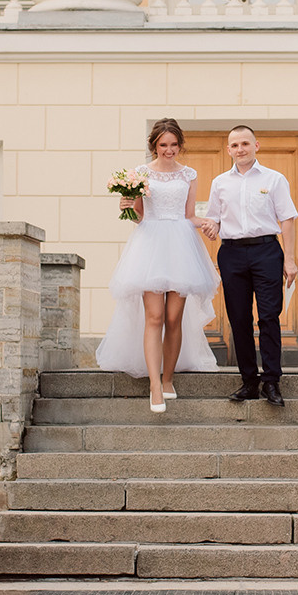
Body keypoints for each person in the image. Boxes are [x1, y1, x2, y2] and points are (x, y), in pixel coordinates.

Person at [94, 118, 220, 411]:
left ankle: (167, 379)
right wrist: (127, 206)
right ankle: (154, 386)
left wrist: (208, 223)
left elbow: (189, 215)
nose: (169, 150)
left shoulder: (189, 175)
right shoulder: (141, 173)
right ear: (154, 145)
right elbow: (139, 216)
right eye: (163, 144)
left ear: (180, 145)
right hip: (150, 246)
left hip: (181, 247)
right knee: (155, 317)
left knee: (174, 318)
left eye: (174, 144)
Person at [199, 125, 298, 407]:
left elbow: (287, 219)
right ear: (228, 150)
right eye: (234, 145)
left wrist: (289, 259)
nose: (240, 149)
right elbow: (214, 218)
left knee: (268, 317)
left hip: (267, 252)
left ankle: (272, 381)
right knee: (239, 319)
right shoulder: (220, 182)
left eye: (245, 143)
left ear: (256, 145)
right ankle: (249, 382)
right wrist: (211, 227)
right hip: (231, 254)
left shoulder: (274, 179)